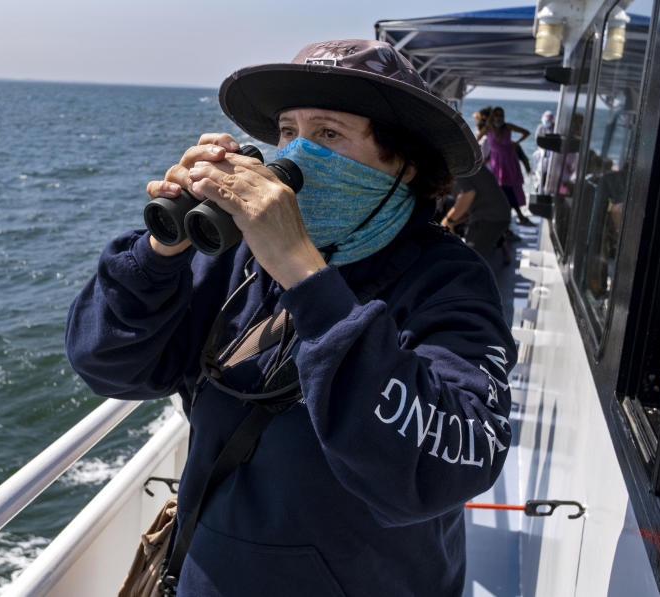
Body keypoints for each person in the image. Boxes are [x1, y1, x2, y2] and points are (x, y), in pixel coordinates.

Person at [66, 39, 515, 597]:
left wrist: (305, 274)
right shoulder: (236, 256)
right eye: (286, 132)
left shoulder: (449, 278)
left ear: (403, 166)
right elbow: (108, 365)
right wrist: (160, 253)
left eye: (328, 134)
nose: (296, 156)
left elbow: (451, 460)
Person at [441, 167, 514, 265]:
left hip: (489, 217)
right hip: (495, 214)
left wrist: (448, 220)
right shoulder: (470, 165)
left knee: (470, 260)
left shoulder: (458, 169)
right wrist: (454, 221)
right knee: (473, 257)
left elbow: (468, 194)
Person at [481, 106, 534, 226]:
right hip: (496, 163)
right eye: (497, 115)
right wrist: (484, 158)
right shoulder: (488, 129)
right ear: (493, 116)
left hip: (509, 161)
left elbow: (527, 132)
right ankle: (514, 217)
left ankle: (511, 218)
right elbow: (476, 140)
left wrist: (516, 143)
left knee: (508, 189)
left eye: (501, 115)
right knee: (503, 190)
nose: (499, 118)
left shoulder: (508, 126)